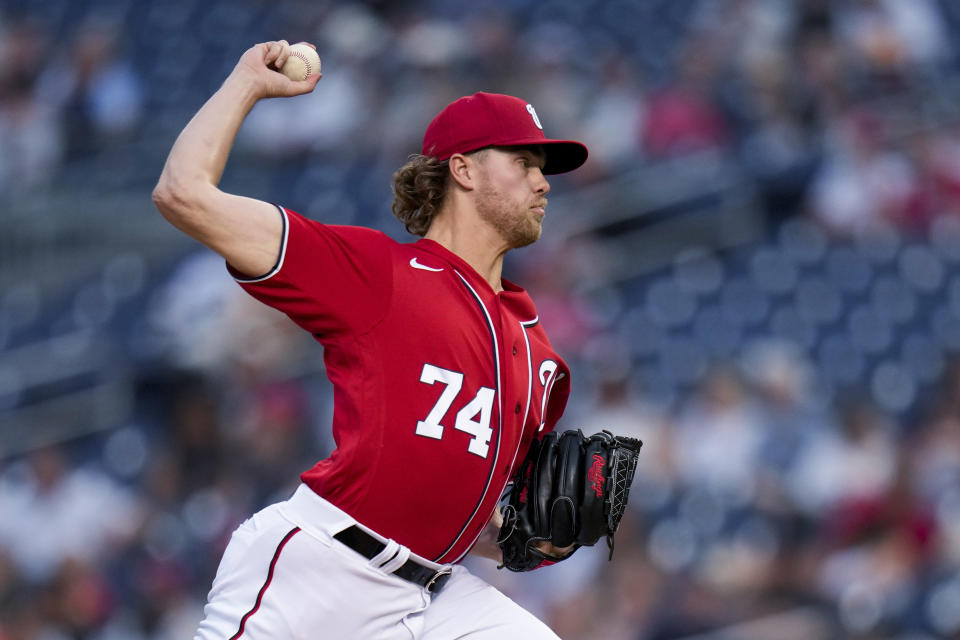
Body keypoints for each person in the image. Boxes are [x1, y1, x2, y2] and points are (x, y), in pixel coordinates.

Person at [153, 40, 589, 639]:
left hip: (435, 596)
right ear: (462, 168)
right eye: (524, 163)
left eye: (544, 170)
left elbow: (466, 510)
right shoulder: (378, 273)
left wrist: (524, 537)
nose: (543, 184)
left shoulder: (537, 352)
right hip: (324, 570)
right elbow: (183, 194)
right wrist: (246, 84)